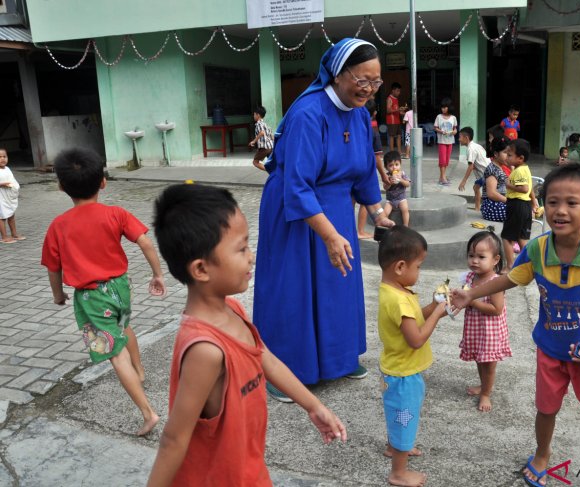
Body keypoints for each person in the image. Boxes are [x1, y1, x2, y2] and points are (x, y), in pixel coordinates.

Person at [147, 184, 347, 486]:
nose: (251, 257)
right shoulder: (205, 349)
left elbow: (268, 361)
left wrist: (313, 406)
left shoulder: (234, 309)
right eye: (241, 249)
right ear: (201, 269)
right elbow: (174, 439)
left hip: (247, 470)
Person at [452, 163, 580, 487]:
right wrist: (469, 295)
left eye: (571, 203)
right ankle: (542, 454)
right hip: (550, 350)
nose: (560, 211)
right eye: (552, 202)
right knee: (546, 409)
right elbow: (509, 279)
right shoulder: (537, 249)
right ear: (542, 204)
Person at [254, 38, 395, 402]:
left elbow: (364, 172)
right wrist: (330, 235)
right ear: (337, 73)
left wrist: (378, 212)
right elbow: (297, 185)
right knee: (295, 289)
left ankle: (339, 358)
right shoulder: (308, 113)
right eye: (361, 80)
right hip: (295, 213)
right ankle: (285, 370)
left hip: (335, 209)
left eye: (375, 82)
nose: (368, 89)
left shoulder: (361, 115)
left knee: (337, 285)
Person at [41, 148, 166, 436]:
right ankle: (140, 372)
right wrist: (157, 274)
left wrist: (58, 295)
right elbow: (145, 242)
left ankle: (148, 413)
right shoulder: (116, 213)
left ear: (61, 186)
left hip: (91, 297)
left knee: (113, 352)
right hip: (120, 287)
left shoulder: (58, 226)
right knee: (124, 326)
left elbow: (53, 267)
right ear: (103, 182)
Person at [377, 225, 448, 487]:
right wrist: (438, 315)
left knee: (400, 416)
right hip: (403, 375)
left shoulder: (395, 291)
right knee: (404, 419)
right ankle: (398, 472)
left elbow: (416, 319)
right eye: (418, 266)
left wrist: (433, 304)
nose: (419, 272)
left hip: (397, 370)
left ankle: (395, 447)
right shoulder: (399, 301)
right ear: (400, 267)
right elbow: (416, 339)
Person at [459, 229, 511, 412]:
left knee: (489, 366)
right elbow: (464, 300)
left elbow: (496, 310)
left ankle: (486, 393)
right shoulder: (470, 278)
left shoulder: (496, 283)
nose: (474, 260)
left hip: (490, 332)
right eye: (471, 255)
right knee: (479, 361)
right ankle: (483, 386)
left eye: (481, 257)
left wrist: (471, 301)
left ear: (495, 260)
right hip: (475, 328)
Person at [502, 138, 538, 269]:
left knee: (506, 237)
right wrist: (534, 202)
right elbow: (529, 188)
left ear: (520, 158)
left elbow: (524, 188)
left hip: (516, 205)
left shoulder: (519, 171)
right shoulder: (524, 168)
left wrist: (509, 185)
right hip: (524, 206)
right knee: (521, 237)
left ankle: (510, 265)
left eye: (510, 155)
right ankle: (530, 264)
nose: (507, 157)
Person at [357, 99, 390, 239]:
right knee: (366, 200)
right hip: (364, 172)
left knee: (352, 200)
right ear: (374, 113)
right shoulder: (372, 132)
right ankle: (360, 231)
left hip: (354, 171)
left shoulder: (356, 128)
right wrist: (383, 175)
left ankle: (355, 230)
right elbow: (376, 158)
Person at [457, 127, 489, 211]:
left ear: (466, 138)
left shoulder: (470, 149)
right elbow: (475, 164)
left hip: (487, 174)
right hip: (486, 172)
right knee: (476, 187)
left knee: (489, 193)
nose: (459, 139)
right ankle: (477, 208)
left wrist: (463, 181)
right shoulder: (476, 146)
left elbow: (470, 167)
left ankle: (483, 208)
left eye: (460, 137)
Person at [480, 136, 510, 223]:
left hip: (499, 203)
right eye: (505, 153)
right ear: (496, 154)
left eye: (510, 154)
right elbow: (491, 193)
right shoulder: (493, 169)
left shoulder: (501, 167)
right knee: (519, 212)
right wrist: (509, 201)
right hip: (491, 206)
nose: (508, 156)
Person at [0, 148, 24, 243]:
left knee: (11, 214)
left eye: (4, 156)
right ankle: (4, 237)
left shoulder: (7, 169)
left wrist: (15, 187)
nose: (2, 159)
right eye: (0, 157)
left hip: (8, 196)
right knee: (2, 216)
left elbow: (12, 180)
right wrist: (2, 184)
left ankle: (14, 234)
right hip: (1, 197)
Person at [383, 150, 411, 227]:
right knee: (385, 213)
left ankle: (405, 225)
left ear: (400, 164)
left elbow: (408, 184)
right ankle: (387, 225)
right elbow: (385, 187)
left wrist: (401, 180)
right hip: (390, 200)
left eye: (396, 164)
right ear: (386, 167)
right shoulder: (387, 176)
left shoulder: (402, 174)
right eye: (391, 165)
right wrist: (390, 183)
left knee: (405, 210)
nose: (394, 167)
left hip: (401, 198)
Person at [434, 100, 458, 185]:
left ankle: (442, 177)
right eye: (442, 107)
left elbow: (455, 128)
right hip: (442, 141)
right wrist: (441, 131)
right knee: (442, 160)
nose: (443, 109)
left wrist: (455, 131)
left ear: (449, 108)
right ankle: (443, 177)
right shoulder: (439, 117)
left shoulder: (453, 118)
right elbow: (435, 128)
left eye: (445, 107)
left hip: (450, 141)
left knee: (446, 160)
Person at [248, 106, 274, 171]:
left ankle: (271, 171)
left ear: (258, 115)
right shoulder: (265, 124)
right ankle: (274, 172)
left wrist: (254, 141)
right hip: (270, 147)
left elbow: (262, 133)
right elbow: (271, 135)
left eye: (254, 114)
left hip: (265, 148)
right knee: (272, 163)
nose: (253, 116)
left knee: (255, 162)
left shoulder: (259, 124)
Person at [386, 82, 404, 154]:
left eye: (399, 91)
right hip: (391, 121)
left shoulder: (396, 99)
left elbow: (396, 110)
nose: (399, 93)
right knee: (392, 136)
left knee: (399, 136)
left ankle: (399, 151)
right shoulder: (389, 99)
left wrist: (402, 113)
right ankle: (392, 152)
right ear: (393, 90)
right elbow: (388, 110)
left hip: (397, 120)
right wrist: (398, 109)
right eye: (397, 91)